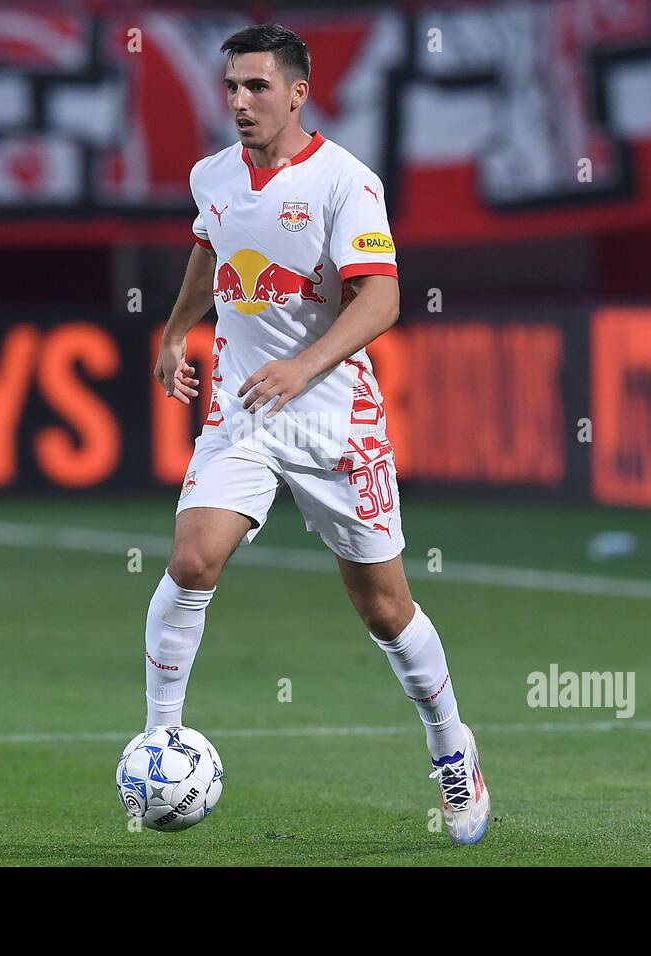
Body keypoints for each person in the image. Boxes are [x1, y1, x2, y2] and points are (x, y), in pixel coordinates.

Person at [144, 23, 489, 844]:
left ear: (298, 92)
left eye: (258, 87)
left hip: (337, 418)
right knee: (192, 559)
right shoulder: (212, 175)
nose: (240, 102)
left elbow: (381, 299)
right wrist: (173, 331)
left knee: (383, 607)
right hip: (243, 410)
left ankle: (452, 749)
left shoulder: (345, 182)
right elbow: (210, 246)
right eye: (231, 87)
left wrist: (305, 367)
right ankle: (159, 736)